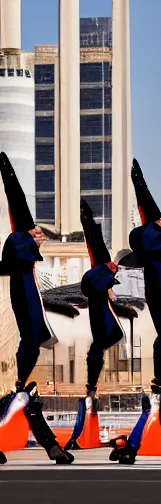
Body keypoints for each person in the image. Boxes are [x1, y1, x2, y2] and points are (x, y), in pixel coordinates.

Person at [109, 159, 161, 464]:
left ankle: (149, 447)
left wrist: (140, 183)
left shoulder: (159, 265)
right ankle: (141, 447)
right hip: (159, 383)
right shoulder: (155, 269)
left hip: (160, 384)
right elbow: (150, 216)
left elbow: (149, 210)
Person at [0, 152, 74, 464]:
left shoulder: (25, 277)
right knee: (20, 395)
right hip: (10, 356)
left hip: (15, 361)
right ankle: (52, 447)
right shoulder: (15, 280)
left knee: (23, 395)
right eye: (34, 236)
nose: (39, 238)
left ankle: (52, 447)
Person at [65, 199, 125, 450]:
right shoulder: (99, 276)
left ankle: (91, 386)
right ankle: (91, 387)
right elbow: (94, 241)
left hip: (100, 299)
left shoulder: (101, 271)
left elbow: (95, 240)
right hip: (99, 302)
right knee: (99, 344)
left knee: (100, 344)